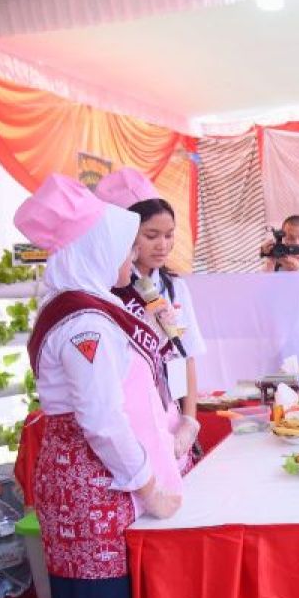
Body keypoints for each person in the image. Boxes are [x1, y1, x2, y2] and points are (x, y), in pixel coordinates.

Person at [17, 174, 183, 598]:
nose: (132, 256)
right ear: (96, 250)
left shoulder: (69, 308)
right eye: (125, 245)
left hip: (78, 484)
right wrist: (148, 484)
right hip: (91, 487)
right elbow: (103, 421)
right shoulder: (86, 322)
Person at [96, 168, 205, 473]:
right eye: (151, 236)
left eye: (169, 235)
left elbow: (187, 354)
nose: (163, 245)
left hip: (169, 412)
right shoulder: (106, 291)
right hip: (128, 419)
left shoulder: (173, 287)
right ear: (125, 237)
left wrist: (190, 420)